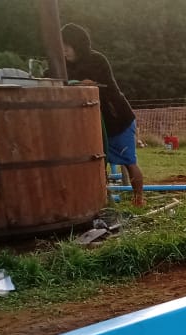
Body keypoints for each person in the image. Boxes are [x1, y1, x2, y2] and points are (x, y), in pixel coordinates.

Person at [60, 23, 145, 206]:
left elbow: (109, 87)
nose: (64, 52)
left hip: (117, 120)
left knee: (129, 161)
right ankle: (102, 200)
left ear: (77, 45)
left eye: (67, 47)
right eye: (62, 48)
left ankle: (139, 199)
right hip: (93, 124)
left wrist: (91, 85)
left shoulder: (97, 60)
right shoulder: (63, 66)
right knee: (98, 163)